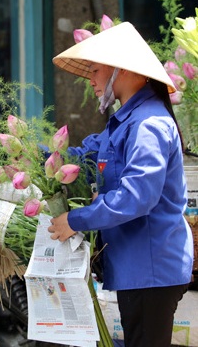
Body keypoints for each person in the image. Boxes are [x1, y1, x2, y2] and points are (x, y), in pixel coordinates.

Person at [49, 22, 193, 347]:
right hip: (137, 268)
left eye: (97, 70)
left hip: (150, 269)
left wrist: (75, 220)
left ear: (124, 70)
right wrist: (34, 157)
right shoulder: (124, 123)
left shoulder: (149, 124)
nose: (91, 79)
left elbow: (137, 197)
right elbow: (81, 157)